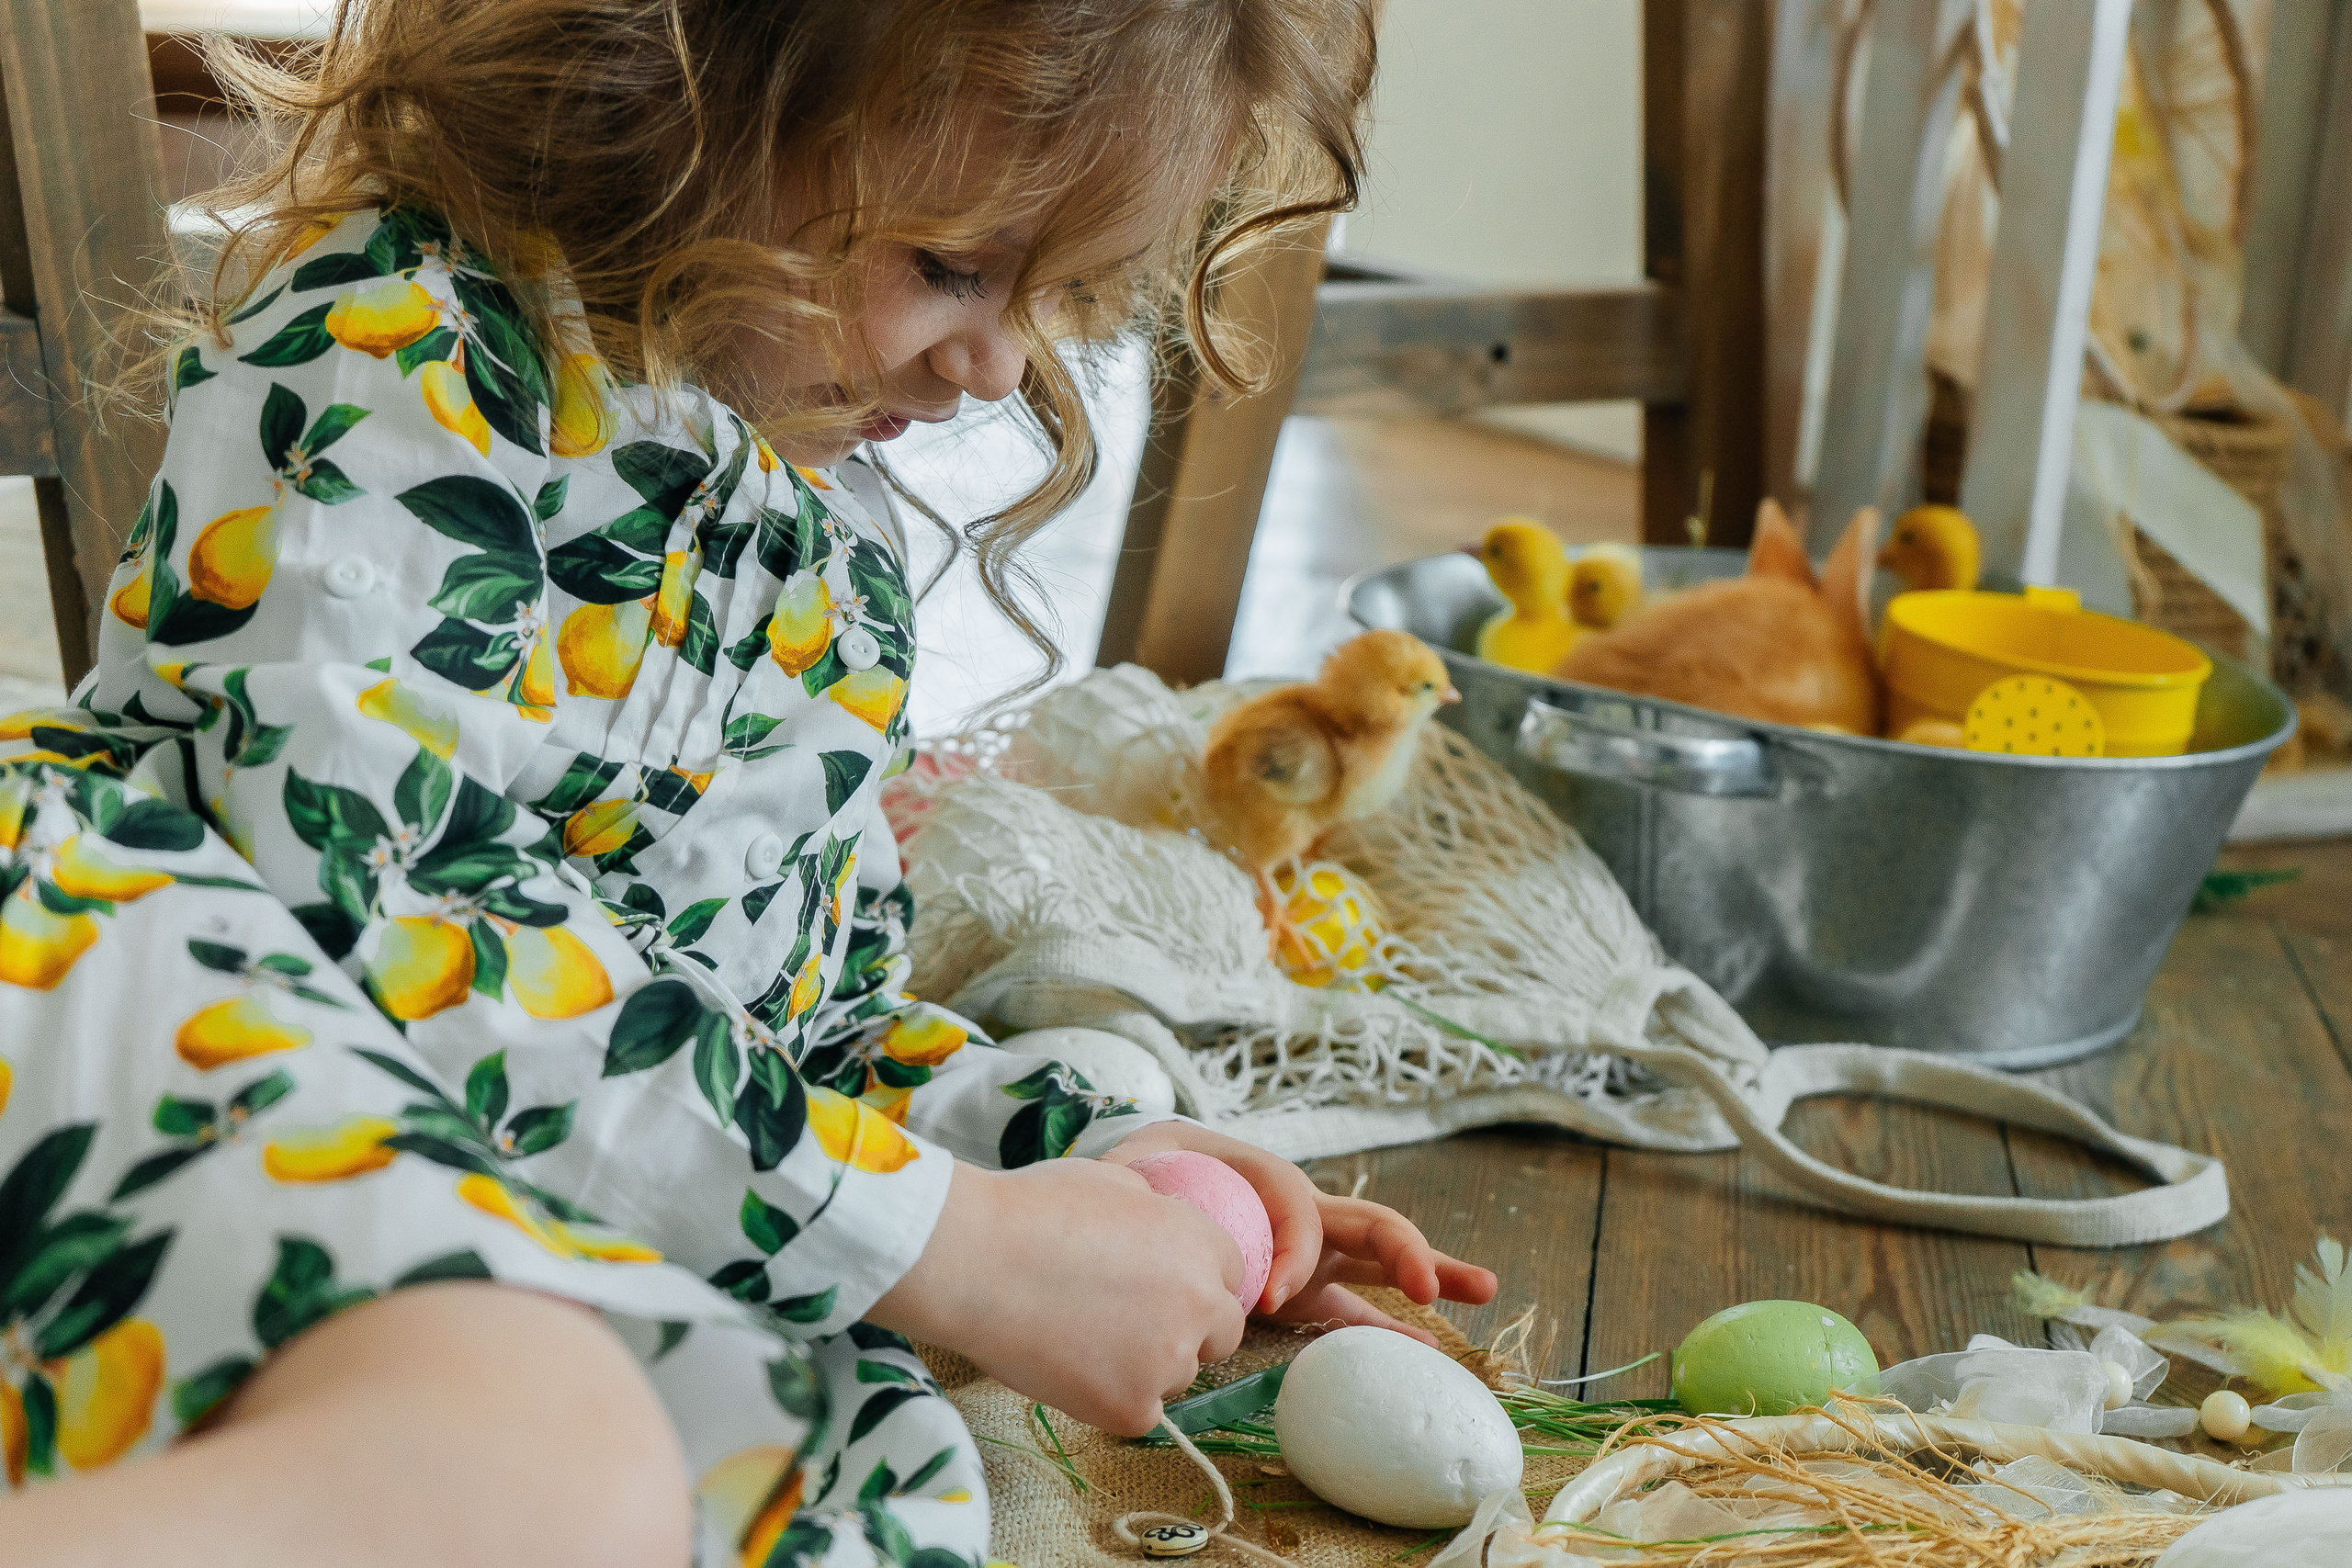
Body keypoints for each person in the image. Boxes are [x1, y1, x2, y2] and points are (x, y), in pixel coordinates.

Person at [0, 3, 1498, 1564]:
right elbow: (395, 900)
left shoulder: (819, 557)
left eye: (1056, 298)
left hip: (512, 1188)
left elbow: (799, 1035)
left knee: (820, 1493)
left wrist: (1082, 1171)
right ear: (685, 95)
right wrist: (939, 1240)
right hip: (172, 1007)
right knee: (548, 1453)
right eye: (951, 268)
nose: (997, 369)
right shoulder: (398, 342)